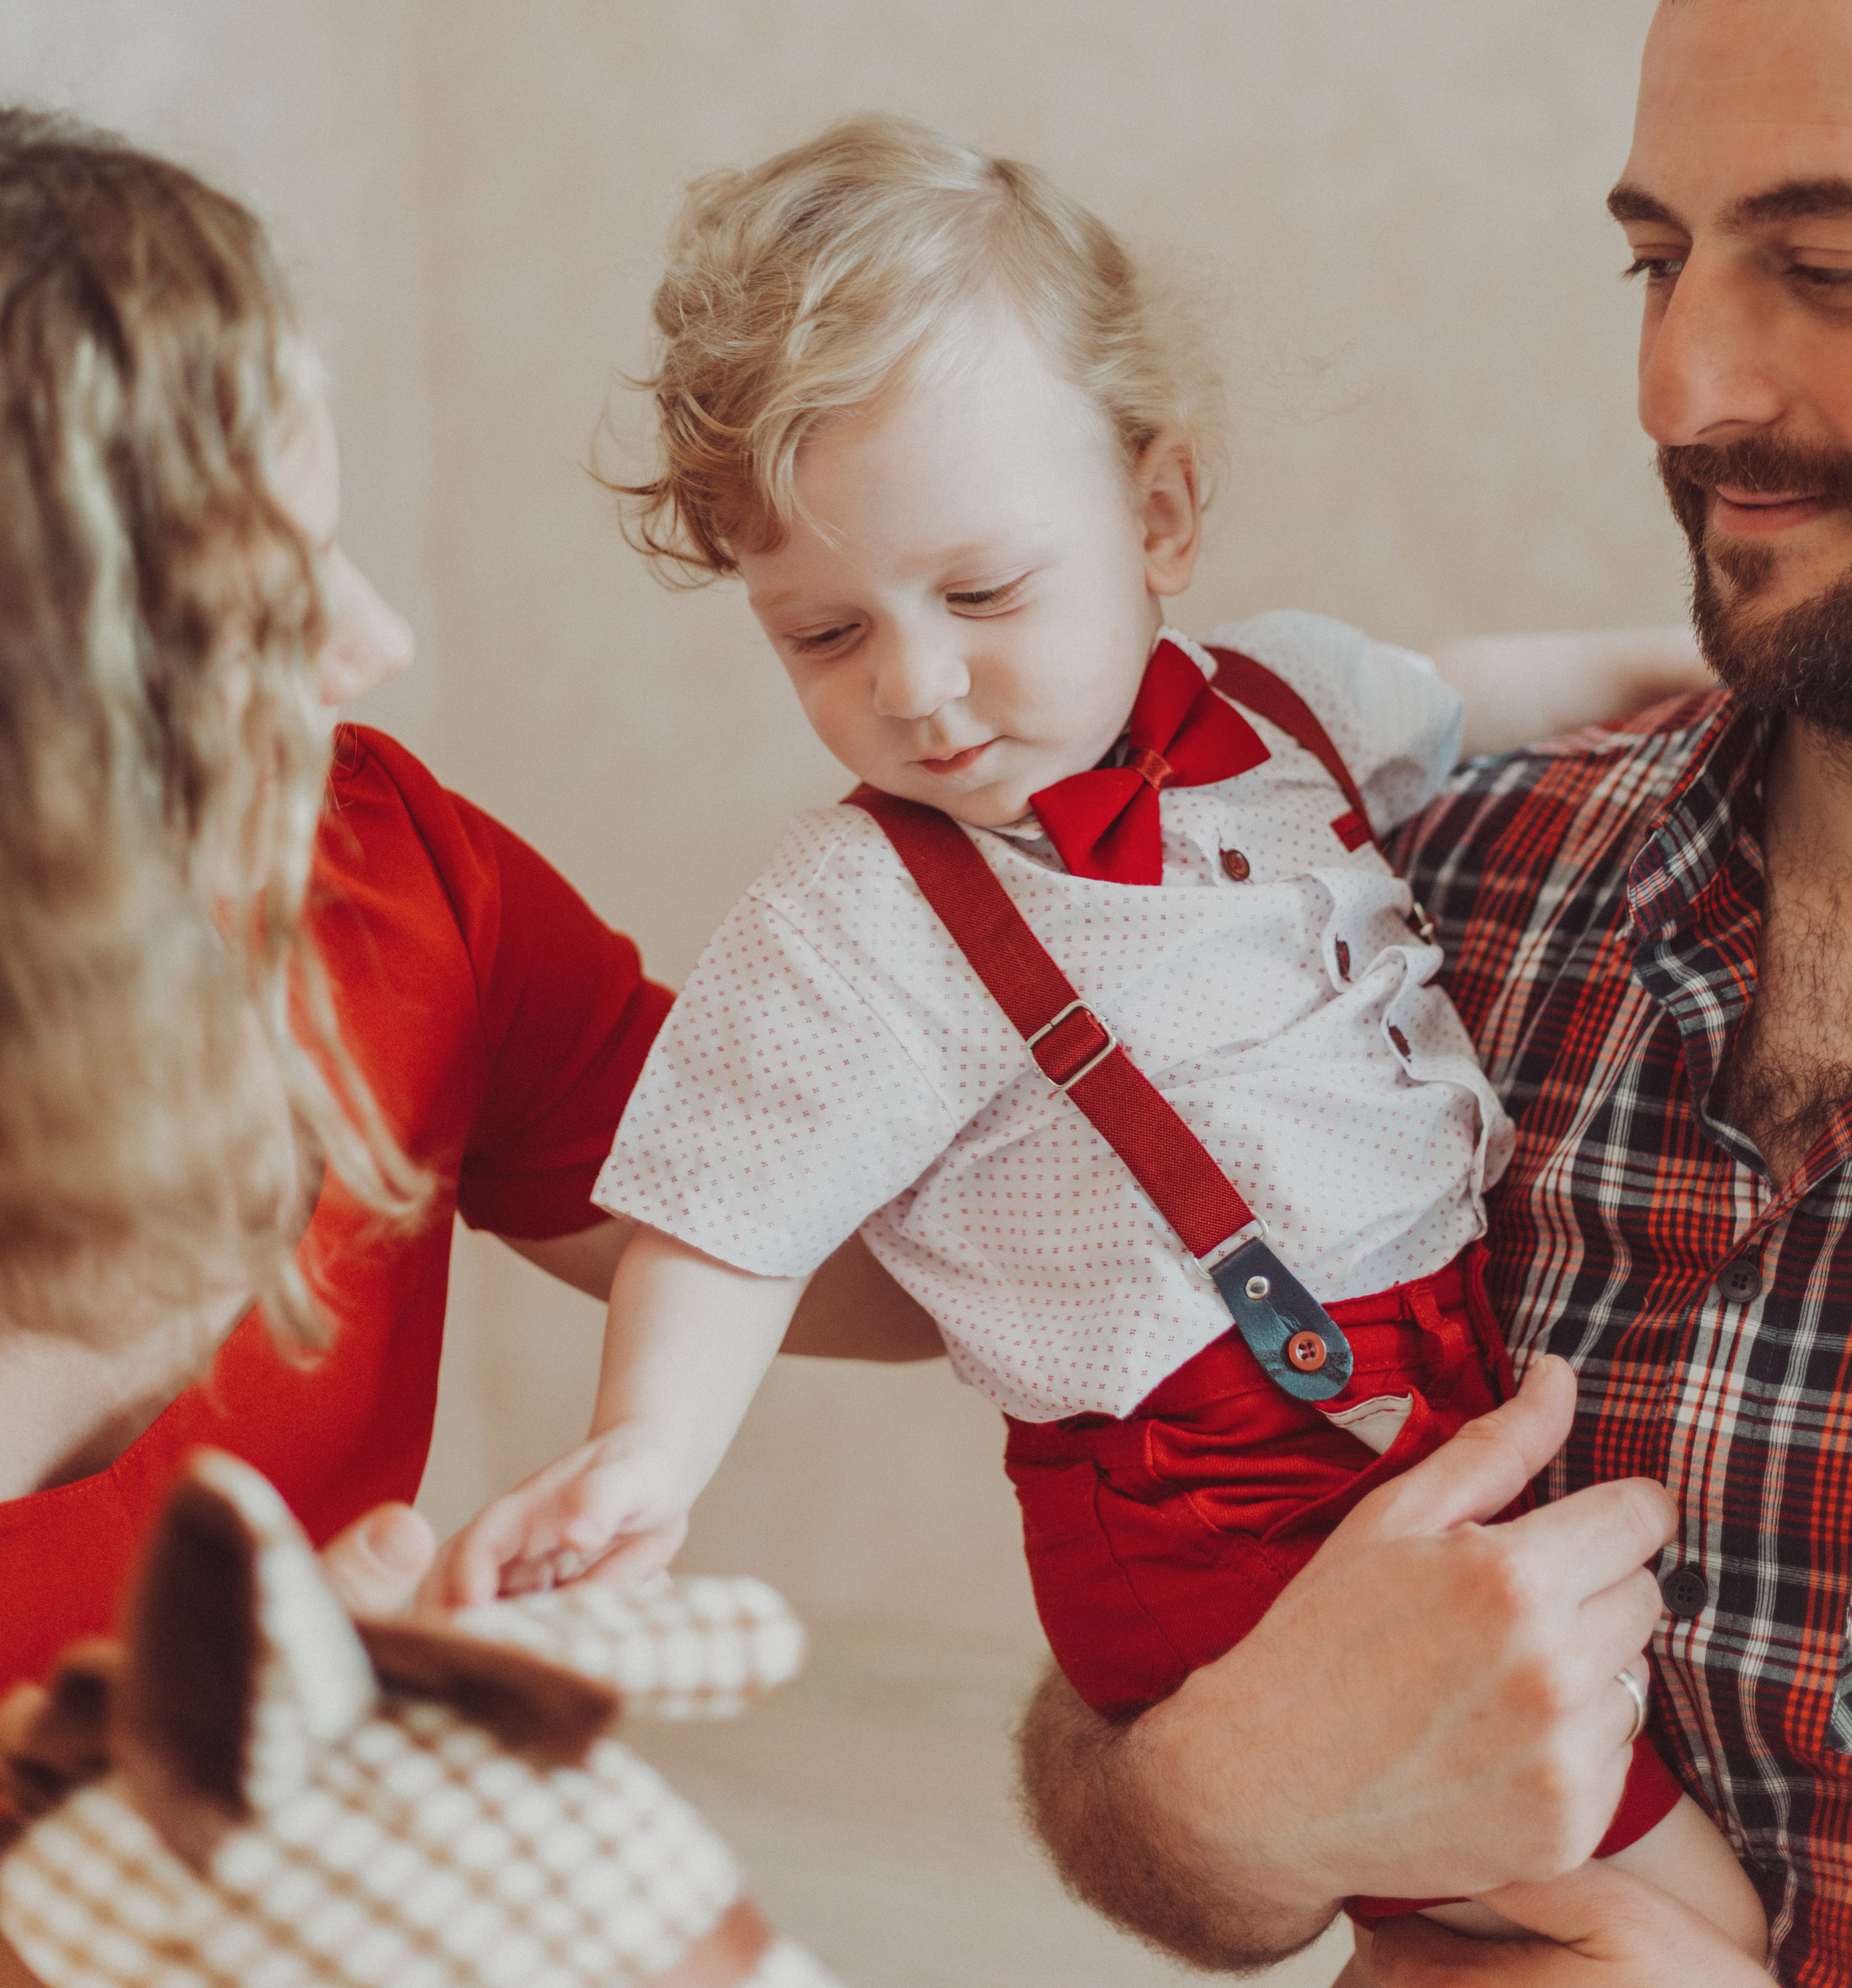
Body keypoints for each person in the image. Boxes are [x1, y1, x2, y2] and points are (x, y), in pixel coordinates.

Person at [428, 120, 1757, 1948]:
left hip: (1411, 1399)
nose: (917, 687)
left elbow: (1477, 696)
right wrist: (643, 1453)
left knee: (1576, 1880)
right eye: (822, 635)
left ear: (1156, 516)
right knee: (1668, 1904)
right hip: (1204, 1503)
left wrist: (1689, 669)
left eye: (981, 594)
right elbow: (724, 1215)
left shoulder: (1283, 699)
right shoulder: (858, 916)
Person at [1014, 0, 1852, 1988]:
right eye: (1656, 261)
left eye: (1831, 269)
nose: (1681, 390)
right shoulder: (1413, 911)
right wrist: (1232, 1802)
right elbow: (1137, 1732)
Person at [0, 112, 933, 1709]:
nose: (377, 642)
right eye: (254, 613)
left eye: (330, 548)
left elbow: (855, 1243)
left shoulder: (391, 877)